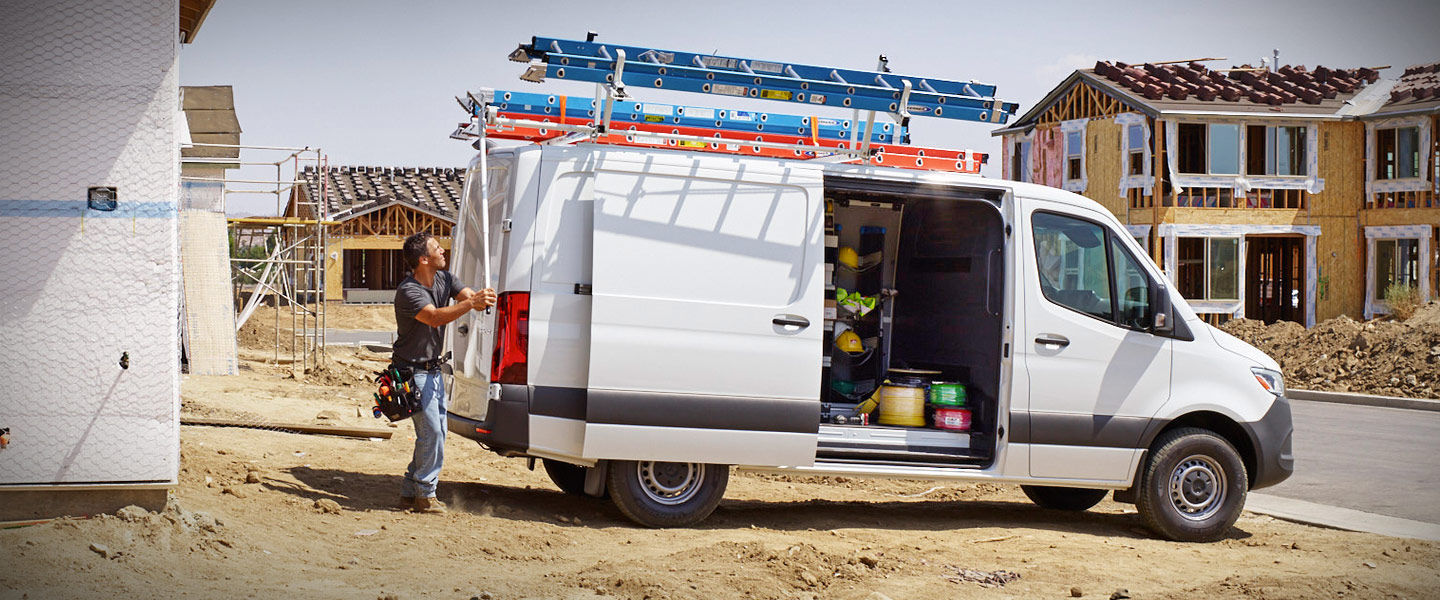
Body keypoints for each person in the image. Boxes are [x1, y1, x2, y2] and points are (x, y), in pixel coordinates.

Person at [393, 232, 496, 513]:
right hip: (412, 373)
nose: (443, 250)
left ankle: (408, 490)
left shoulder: (445, 279)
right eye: (437, 248)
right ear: (423, 259)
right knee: (433, 434)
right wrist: (470, 304)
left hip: (433, 371)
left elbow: (470, 298)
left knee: (434, 433)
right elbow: (434, 316)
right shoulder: (409, 291)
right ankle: (425, 495)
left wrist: (480, 298)